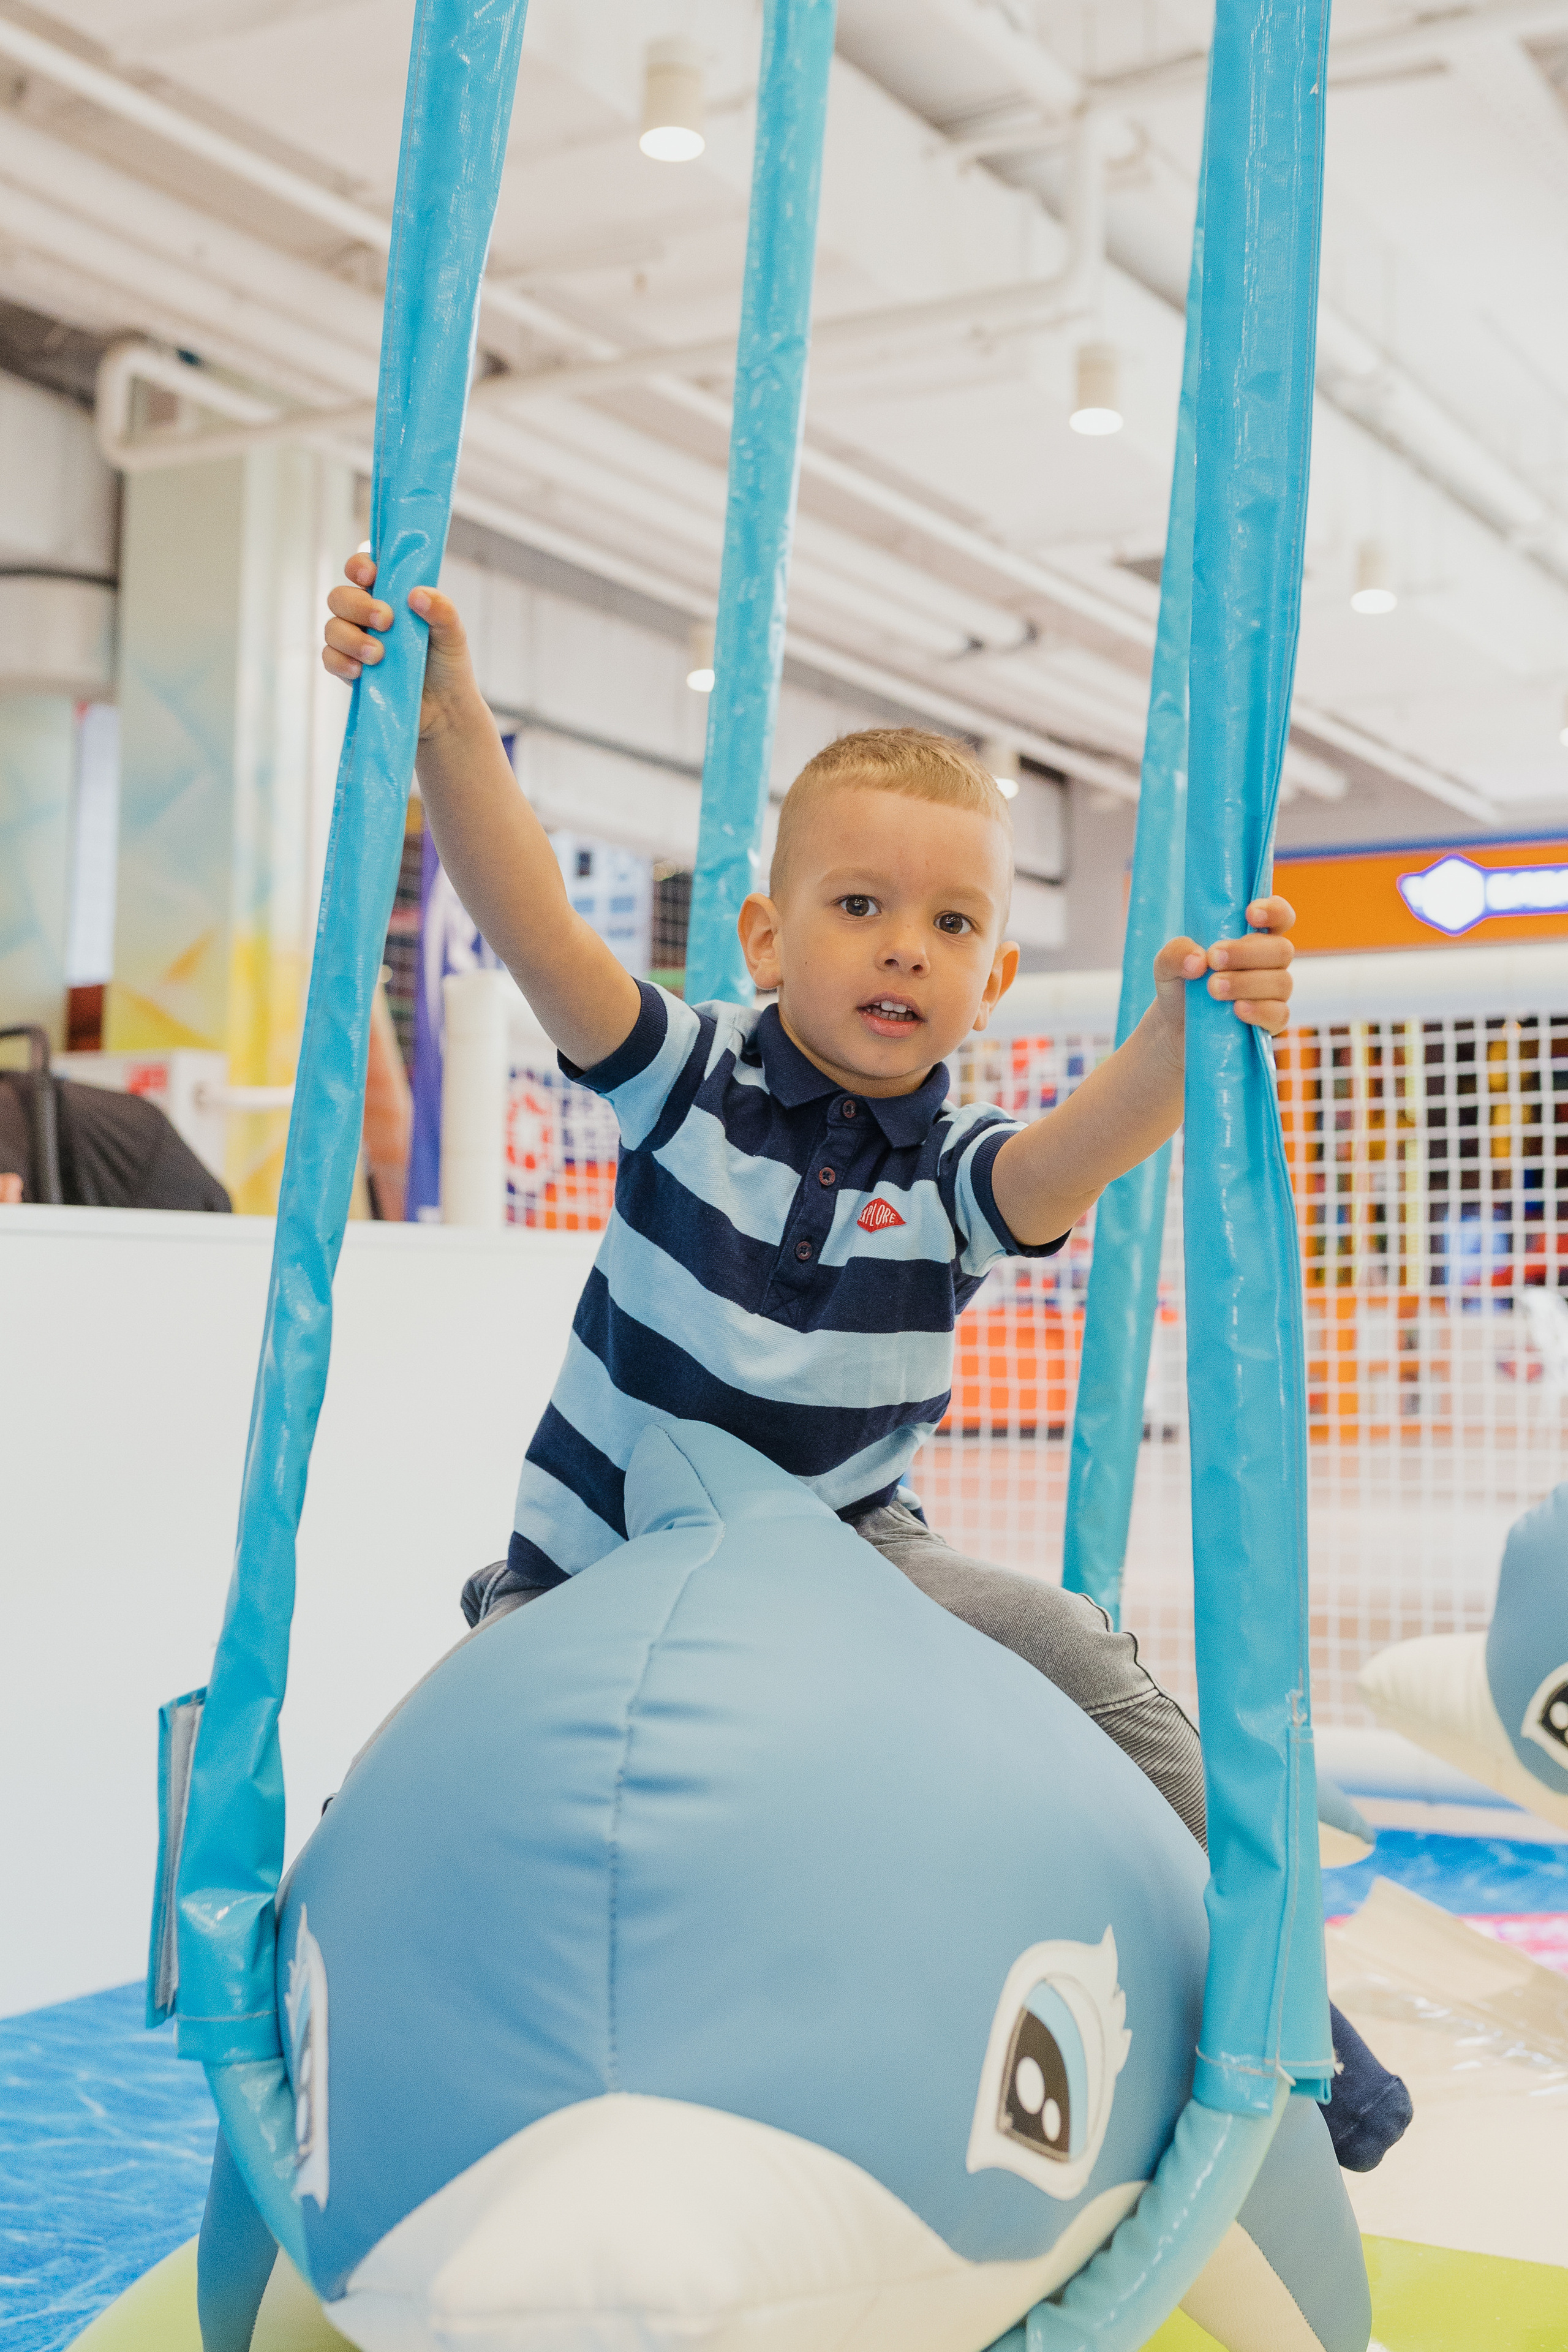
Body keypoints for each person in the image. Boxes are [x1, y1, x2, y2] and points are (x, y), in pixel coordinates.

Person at [323, 557, 1410, 2166]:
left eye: (952, 923)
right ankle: (319, 2008)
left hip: (851, 1554)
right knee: (407, 1776)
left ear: (994, 980)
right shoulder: (685, 1083)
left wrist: (1188, 1041)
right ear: (768, 933)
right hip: (599, 1560)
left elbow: (1077, 1153)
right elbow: (538, 924)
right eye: (861, 908)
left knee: (1103, 1674)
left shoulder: (959, 1174)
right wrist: (451, 729)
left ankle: (1287, 2011)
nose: (905, 951)